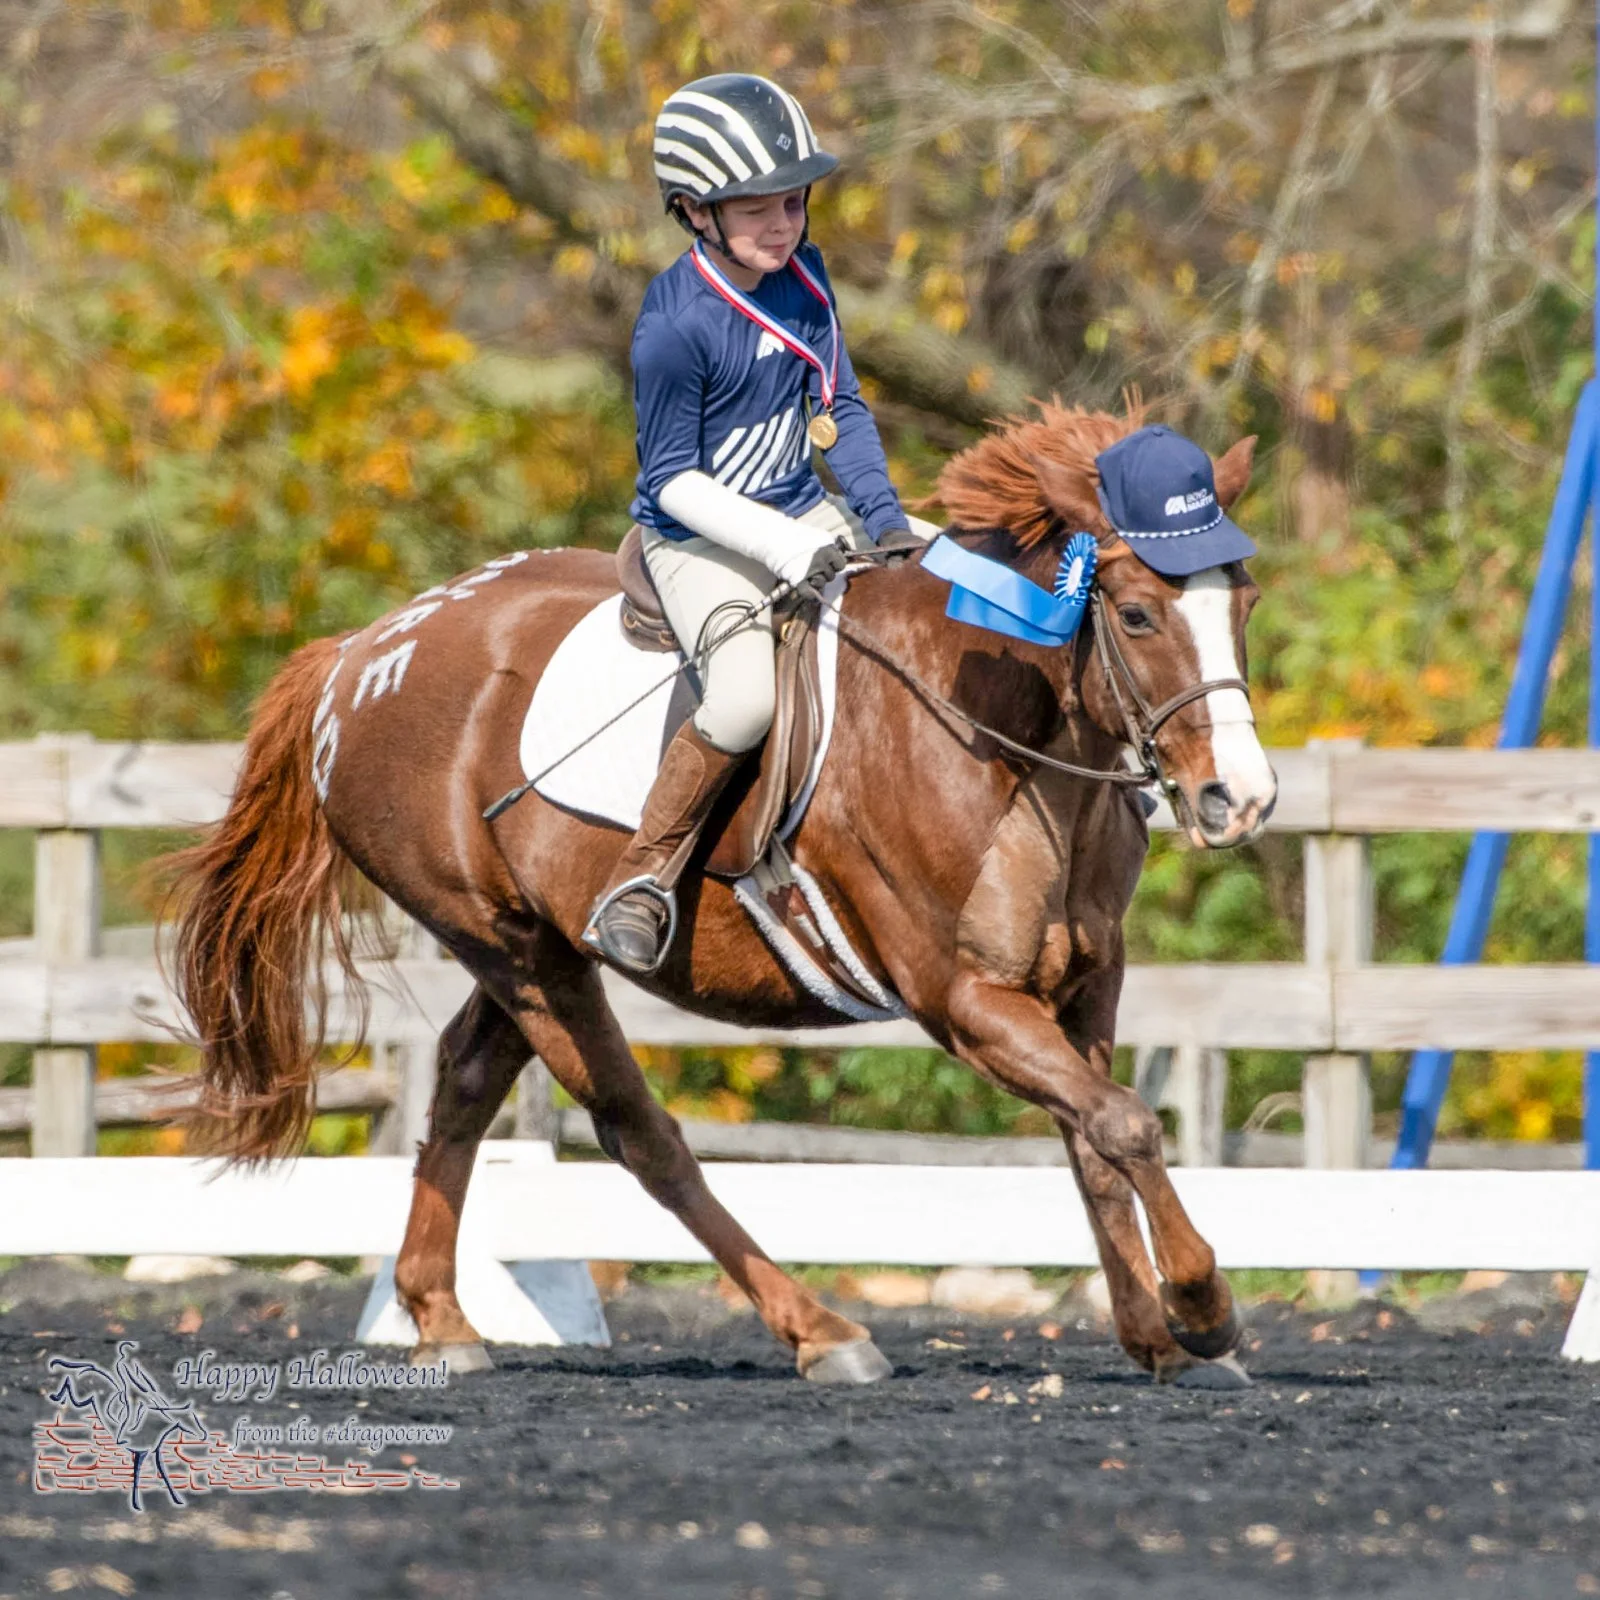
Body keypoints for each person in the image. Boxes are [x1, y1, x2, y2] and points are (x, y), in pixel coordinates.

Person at [582, 72, 935, 975]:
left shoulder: (806, 278)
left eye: (793, 201)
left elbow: (840, 407)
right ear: (694, 211)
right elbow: (670, 480)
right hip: (698, 537)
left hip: (801, 506)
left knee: (939, 592)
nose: (783, 224)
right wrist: (784, 544)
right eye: (756, 208)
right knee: (745, 699)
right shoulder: (674, 326)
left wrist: (886, 518)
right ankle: (643, 877)